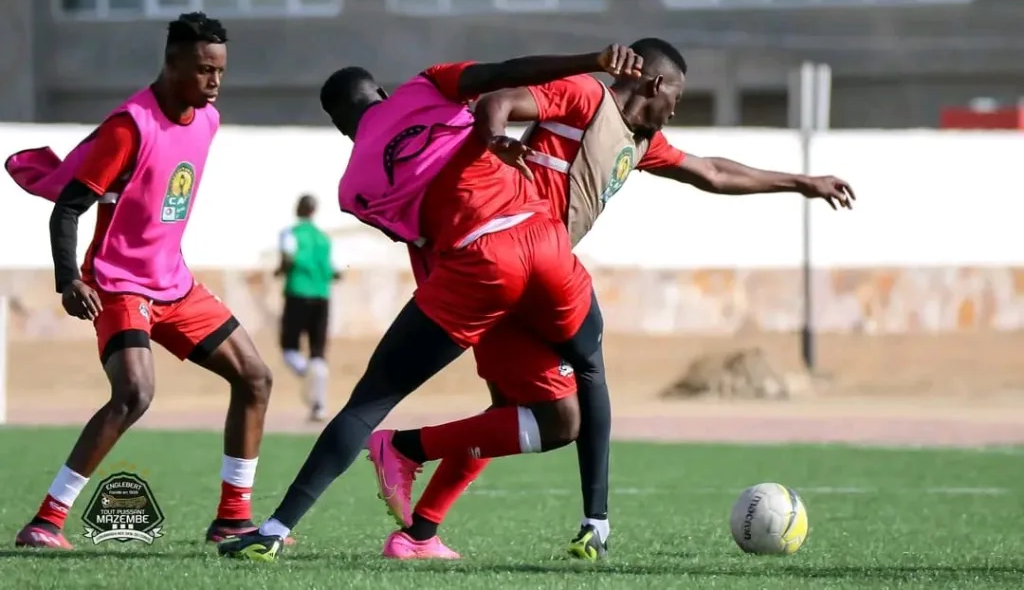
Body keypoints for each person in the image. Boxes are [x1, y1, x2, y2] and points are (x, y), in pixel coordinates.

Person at [382, 37, 855, 561]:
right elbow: (499, 100)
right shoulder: (583, 98)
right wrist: (496, 139)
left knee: (513, 414)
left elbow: (713, 172)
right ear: (655, 84)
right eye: (676, 94)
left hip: (531, 274)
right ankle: (415, 454)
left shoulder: (641, 143)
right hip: (506, 259)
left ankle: (418, 533)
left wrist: (801, 182)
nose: (677, 107)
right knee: (564, 412)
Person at [217, 44, 644, 562]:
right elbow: (508, 73)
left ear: (340, 127)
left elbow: (425, 245)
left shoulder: (354, 189)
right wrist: (595, 59)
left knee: (368, 403)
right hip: (545, 242)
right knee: (589, 371)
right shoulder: (427, 86)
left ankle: (277, 528)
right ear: (381, 93)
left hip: (478, 269)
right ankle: (595, 520)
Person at [4, 12, 283, 550]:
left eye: (221, 71)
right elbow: (68, 210)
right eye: (204, 70)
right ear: (173, 62)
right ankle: (45, 521)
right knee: (135, 393)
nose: (215, 82)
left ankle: (232, 518)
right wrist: (68, 281)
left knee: (256, 378)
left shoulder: (207, 120)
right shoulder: (129, 125)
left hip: (174, 284)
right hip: (118, 284)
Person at [276, 194, 340, 422]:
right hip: (322, 297)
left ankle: (306, 374)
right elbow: (336, 271)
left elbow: (288, 257)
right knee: (318, 351)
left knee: (289, 348)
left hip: (297, 294)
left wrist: (280, 270)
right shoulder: (324, 239)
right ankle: (319, 407)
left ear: (297, 209)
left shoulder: (290, 233)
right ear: (314, 212)